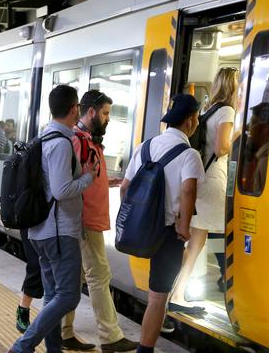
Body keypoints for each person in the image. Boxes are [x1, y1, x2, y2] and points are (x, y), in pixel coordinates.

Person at [10, 85, 98, 353]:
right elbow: (61, 190)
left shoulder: (44, 138)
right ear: (74, 109)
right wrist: (87, 177)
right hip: (59, 232)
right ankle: (22, 347)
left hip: (42, 231)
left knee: (52, 298)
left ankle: (54, 351)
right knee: (69, 296)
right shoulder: (60, 143)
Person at [120, 94, 204, 353]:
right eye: (197, 118)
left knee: (153, 294)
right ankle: (145, 350)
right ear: (190, 120)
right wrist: (184, 227)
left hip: (140, 231)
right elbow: (188, 191)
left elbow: (125, 189)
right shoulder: (190, 154)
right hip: (168, 235)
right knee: (158, 297)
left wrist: (133, 219)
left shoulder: (144, 147)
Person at [60, 90, 138, 352]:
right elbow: (70, 181)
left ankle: (64, 331)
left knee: (77, 277)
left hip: (88, 217)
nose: (108, 119)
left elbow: (88, 176)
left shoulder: (88, 140)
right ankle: (110, 336)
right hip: (84, 219)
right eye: (105, 113)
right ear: (90, 112)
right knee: (99, 275)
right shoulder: (78, 140)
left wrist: (106, 181)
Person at [170, 67, 236, 306]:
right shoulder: (227, 111)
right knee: (204, 240)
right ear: (234, 87)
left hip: (202, 178)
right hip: (215, 179)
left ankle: (177, 290)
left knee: (196, 241)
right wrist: (238, 137)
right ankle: (178, 293)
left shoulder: (209, 109)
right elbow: (221, 148)